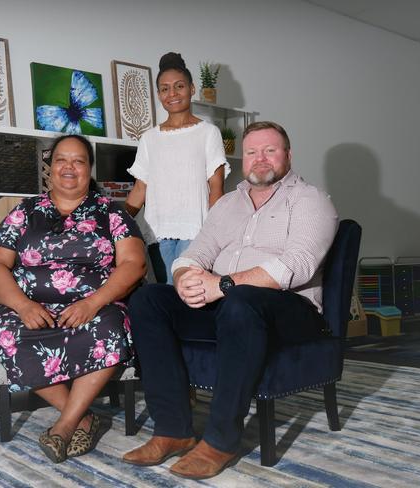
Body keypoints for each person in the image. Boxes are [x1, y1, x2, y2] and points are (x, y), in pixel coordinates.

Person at [122, 121, 339, 479]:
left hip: (290, 310)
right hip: (230, 308)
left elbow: (297, 265)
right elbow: (195, 253)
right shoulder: (226, 205)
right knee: (149, 299)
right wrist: (184, 279)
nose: (260, 159)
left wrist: (222, 284)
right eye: (252, 152)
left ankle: (221, 441)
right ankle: (173, 431)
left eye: (270, 150)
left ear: (288, 155)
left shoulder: (312, 201)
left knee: (242, 300)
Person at [0, 134, 146, 464]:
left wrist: (93, 302)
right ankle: (84, 419)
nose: (69, 167)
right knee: (2, 332)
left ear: (89, 170)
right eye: (61, 160)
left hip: (96, 306)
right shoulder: (25, 212)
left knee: (112, 329)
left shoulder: (111, 213)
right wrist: (23, 305)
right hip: (32, 307)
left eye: (79, 161)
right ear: (49, 168)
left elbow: (134, 263)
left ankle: (65, 425)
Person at [125, 52, 229, 284]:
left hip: (196, 231)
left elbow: (216, 187)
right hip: (157, 232)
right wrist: (116, 222)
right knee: (164, 297)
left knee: (188, 295)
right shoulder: (149, 138)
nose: (172, 94)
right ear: (159, 95)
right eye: (165, 89)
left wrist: (216, 231)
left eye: (179, 86)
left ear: (192, 89)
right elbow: (141, 187)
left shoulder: (208, 133)